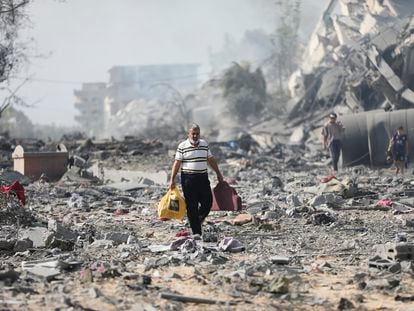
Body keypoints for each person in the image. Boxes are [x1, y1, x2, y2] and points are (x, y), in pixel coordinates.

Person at [169, 123, 223, 236]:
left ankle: (197, 220)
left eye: (197, 133)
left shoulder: (204, 144)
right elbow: (177, 163)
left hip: (203, 177)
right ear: (188, 134)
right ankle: (196, 232)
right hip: (188, 179)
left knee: (207, 203)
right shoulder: (182, 146)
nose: (195, 136)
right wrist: (172, 179)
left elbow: (211, 160)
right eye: (193, 133)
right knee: (191, 205)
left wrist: (218, 173)